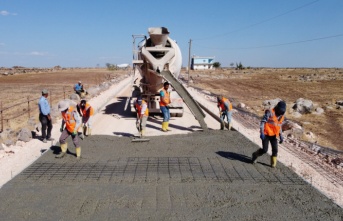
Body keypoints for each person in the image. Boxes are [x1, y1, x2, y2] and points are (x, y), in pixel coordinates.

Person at [251, 100, 286, 168]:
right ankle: (255, 155)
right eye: (280, 111)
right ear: (277, 108)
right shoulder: (270, 112)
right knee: (265, 150)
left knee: (275, 150)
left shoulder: (281, 116)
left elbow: (279, 126)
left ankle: (273, 164)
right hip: (266, 134)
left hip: (273, 135)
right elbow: (263, 122)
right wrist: (262, 132)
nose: (281, 113)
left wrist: (281, 135)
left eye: (282, 111)